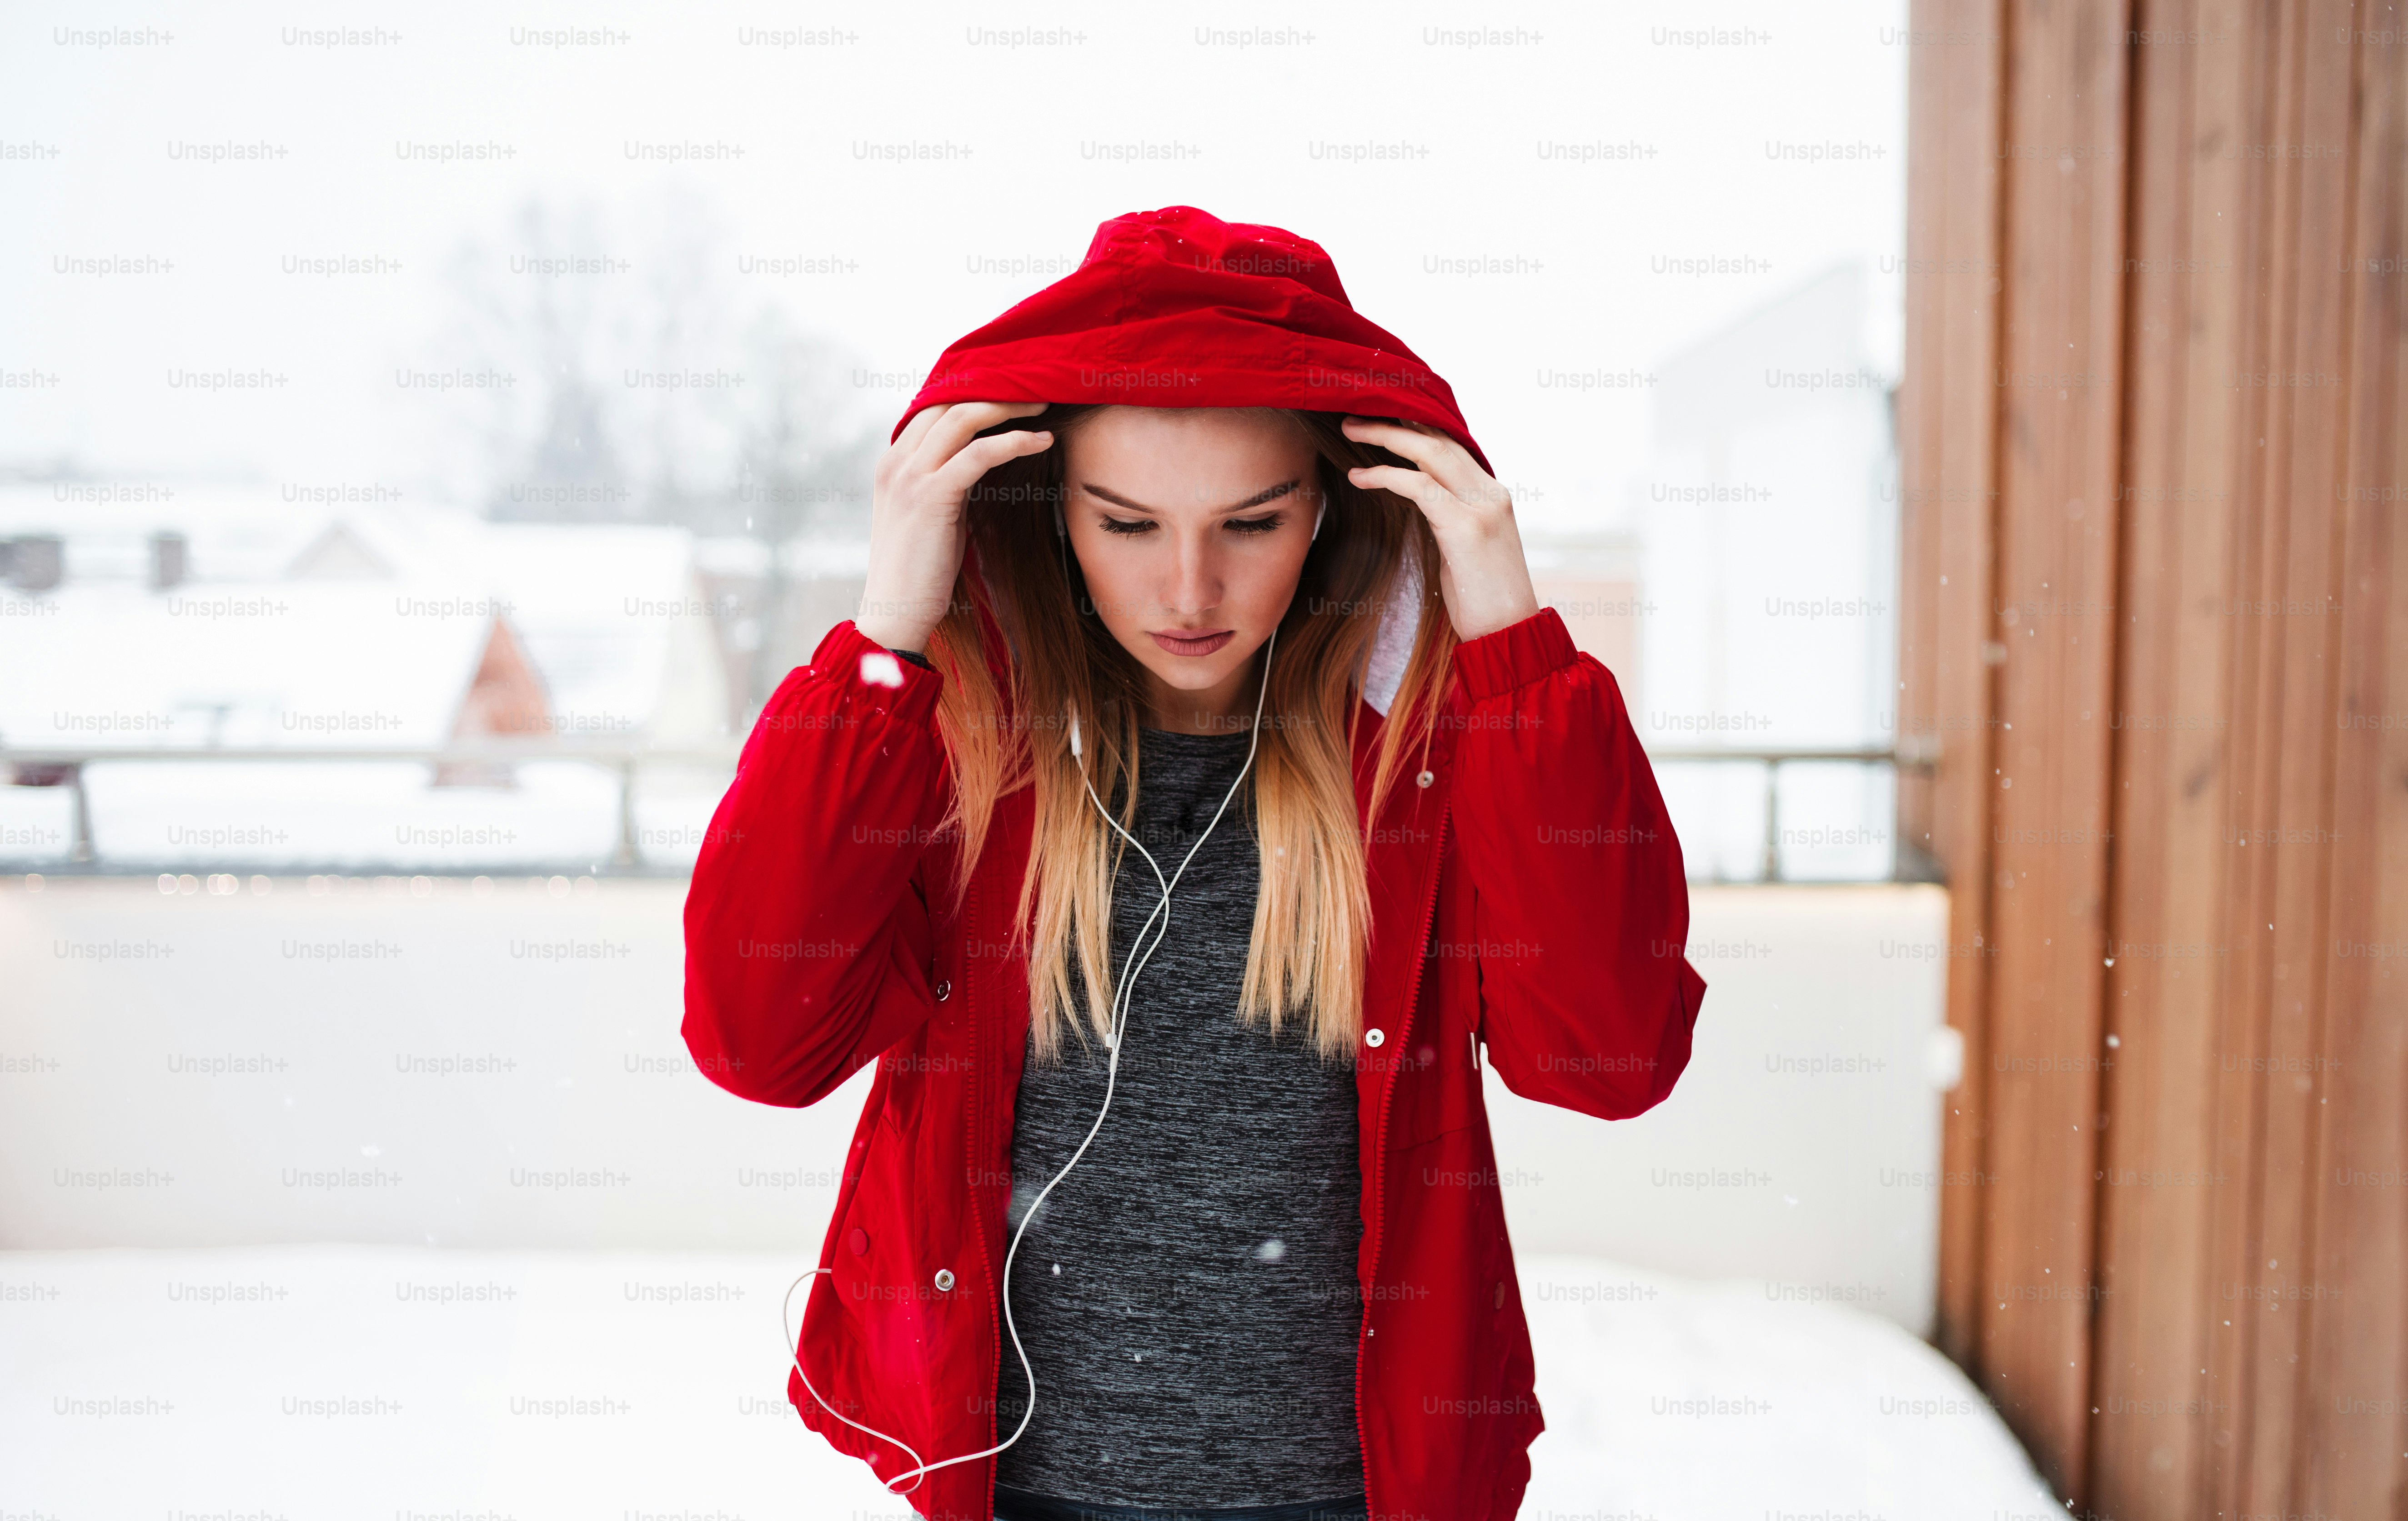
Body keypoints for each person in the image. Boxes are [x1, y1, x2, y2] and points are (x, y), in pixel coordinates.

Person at [682, 206, 1707, 1521]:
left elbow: (1610, 1056)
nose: (1188, 588)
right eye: (1125, 523)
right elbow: (760, 1040)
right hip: (1018, 1490)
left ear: (1334, 511)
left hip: (1356, 1498)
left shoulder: (1429, 766)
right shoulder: (947, 754)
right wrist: (888, 632)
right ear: (1048, 515)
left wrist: (1507, 631)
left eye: (1250, 522)